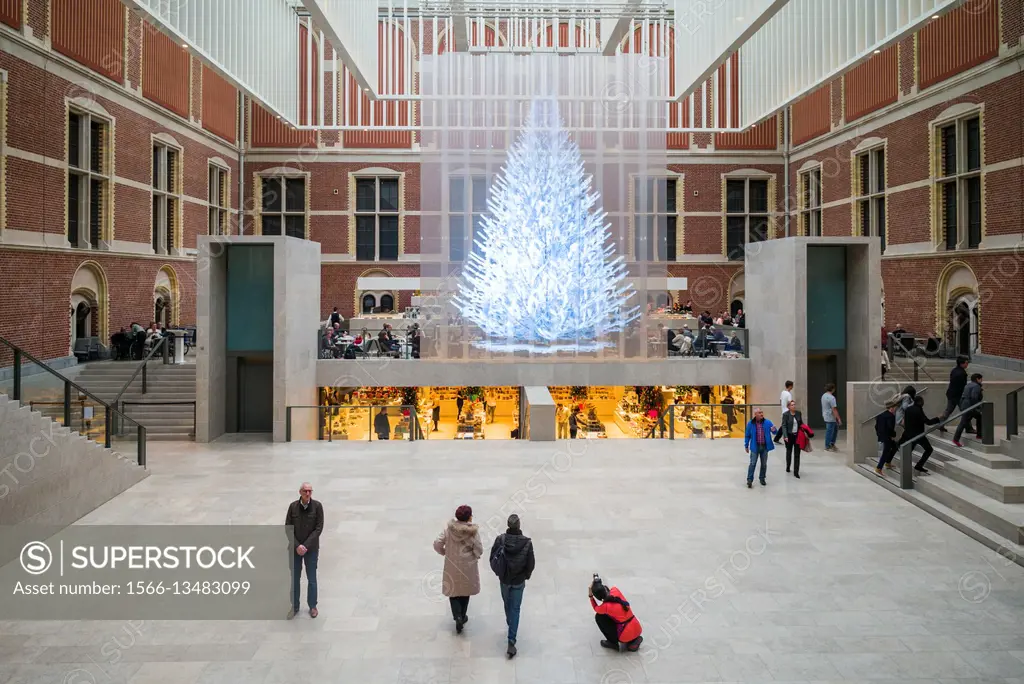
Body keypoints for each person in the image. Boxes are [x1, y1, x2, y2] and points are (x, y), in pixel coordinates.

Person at [490, 514, 535, 658]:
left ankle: (511, 626)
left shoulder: (501, 540)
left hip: (504, 579)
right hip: (518, 581)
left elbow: (492, 558)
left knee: (507, 603)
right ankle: (512, 638)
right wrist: (526, 576)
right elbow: (531, 563)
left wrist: (499, 573)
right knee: (515, 608)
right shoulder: (527, 543)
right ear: (519, 525)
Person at [433, 505, 483, 634]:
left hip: (452, 566)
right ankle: (463, 615)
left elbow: (437, 543)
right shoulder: (473, 532)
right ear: (469, 517)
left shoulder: (448, 530)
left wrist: (444, 552)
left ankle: (457, 616)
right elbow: (478, 549)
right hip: (468, 567)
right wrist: (476, 556)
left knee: (453, 591)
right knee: (465, 591)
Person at [285, 482, 323, 619]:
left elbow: (318, 528)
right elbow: (288, 528)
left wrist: (305, 545)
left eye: (310, 491)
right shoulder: (293, 507)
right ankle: (294, 606)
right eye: (305, 491)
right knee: (295, 579)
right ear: (300, 492)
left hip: (311, 549)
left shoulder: (317, 507)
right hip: (295, 549)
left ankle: (313, 606)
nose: (308, 494)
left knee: (311, 578)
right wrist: (297, 546)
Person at [589, 575, 643, 652]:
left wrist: (591, 596)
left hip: (625, 635)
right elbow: (608, 591)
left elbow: (595, 608)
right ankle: (634, 640)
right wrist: (598, 584)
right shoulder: (615, 590)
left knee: (599, 617)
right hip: (637, 627)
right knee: (619, 617)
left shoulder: (605, 607)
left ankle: (612, 643)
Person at [902, 394, 940, 474]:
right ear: (920, 402)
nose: (923, 403)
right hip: (918, 435)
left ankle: (905, 468)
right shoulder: (918, 411)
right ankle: (919, 465)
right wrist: (938, 419)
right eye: (922, 401)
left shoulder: (908, 409)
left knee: (908, 451)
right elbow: (928, 422)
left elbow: (905, 421)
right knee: (929, 449)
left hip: (909, 434)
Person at [744, 407, 777, 488]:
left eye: (762, 412)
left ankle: (762, 478)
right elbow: (747, 435)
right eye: (759, 413)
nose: (761, 414)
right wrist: (746, 445)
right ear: (755, 414)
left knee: (764, 464)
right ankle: (749, 480)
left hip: (764, 447)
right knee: (752, 463)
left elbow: (775, 432)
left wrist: (773, 430)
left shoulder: (768, 422)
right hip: (755, 447)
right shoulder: (750, 424)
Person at [938, 355, 970, 432]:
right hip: (957, 396)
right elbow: (962, 386)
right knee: (965, 411)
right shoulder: (961, 373)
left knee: (949, 410)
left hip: (952, 394)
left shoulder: (954, 370)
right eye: (966, 363)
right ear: (961, 363)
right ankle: (969, 428)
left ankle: (941, 423)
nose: (967, 364)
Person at [952, 373, 984, 447]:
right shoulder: (976, 386)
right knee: (963, 423)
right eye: (981, 379)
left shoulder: (967, 385)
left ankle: (979, 434)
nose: (981, 381)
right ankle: (956, 439)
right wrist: (977, 407)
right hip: (970, 407)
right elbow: (974, 397)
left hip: (964, 405)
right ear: (977, 379)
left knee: (979, 417)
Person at [774, 400, 804, 478]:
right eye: (792, 405)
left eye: (794, 404)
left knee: (797, 454)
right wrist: (785, 436)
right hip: (789, 436)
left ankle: (796, 472)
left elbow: (801, 423)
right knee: (789, 451)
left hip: (797, 436)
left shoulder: (798, 413)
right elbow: (783, 425)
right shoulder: (786, 415)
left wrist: (804, 432)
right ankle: (788, 466)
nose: (794, 406)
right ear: (788, 407)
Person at [874, 398, 900, 476]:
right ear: (892, 408)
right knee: (886, 452)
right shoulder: (891, 416)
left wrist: (879, 434)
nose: (895, 409)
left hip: (882, 435)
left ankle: (888, 462)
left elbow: (876, 426)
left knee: (895, 447)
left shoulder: (880, 415)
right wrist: (892, 435)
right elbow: (890, 427)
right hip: (887, 436)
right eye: (894, 407)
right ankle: (879, 468)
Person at [821, 383, 841, 452]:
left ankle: (831, 443)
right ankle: (827, 446)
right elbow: (834, 409)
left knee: (834, 429)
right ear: (832, 389)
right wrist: (838, 418)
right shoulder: (832, 398)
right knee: (830, 431)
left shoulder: (824, 396)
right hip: (831, 416)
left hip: (825, 415)